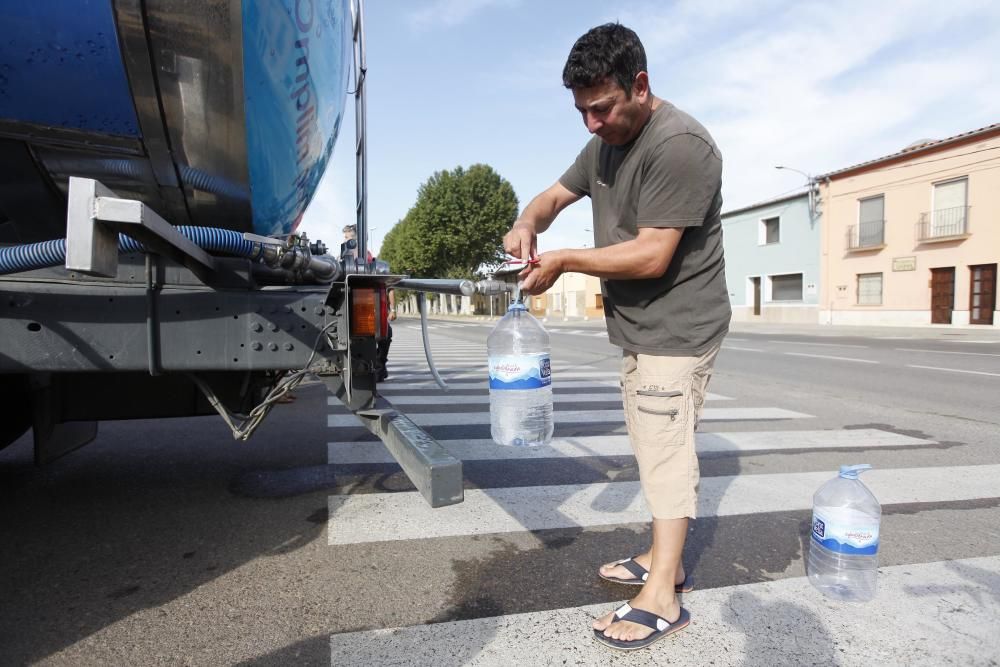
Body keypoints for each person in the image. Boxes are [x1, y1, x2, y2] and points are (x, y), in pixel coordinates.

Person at [503, 23, 730, 651]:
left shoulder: (681, 145)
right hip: (641, 327)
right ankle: (667, 558)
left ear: (641, 85)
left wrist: (566, 260)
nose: (592, 124)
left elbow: (655, 255)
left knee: (664, 448)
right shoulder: (604, 143)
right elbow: (553, 196)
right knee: (652, 438)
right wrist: (527, 222)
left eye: (601, 108)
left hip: (679, 326)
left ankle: (663, 593)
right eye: (581, 111)